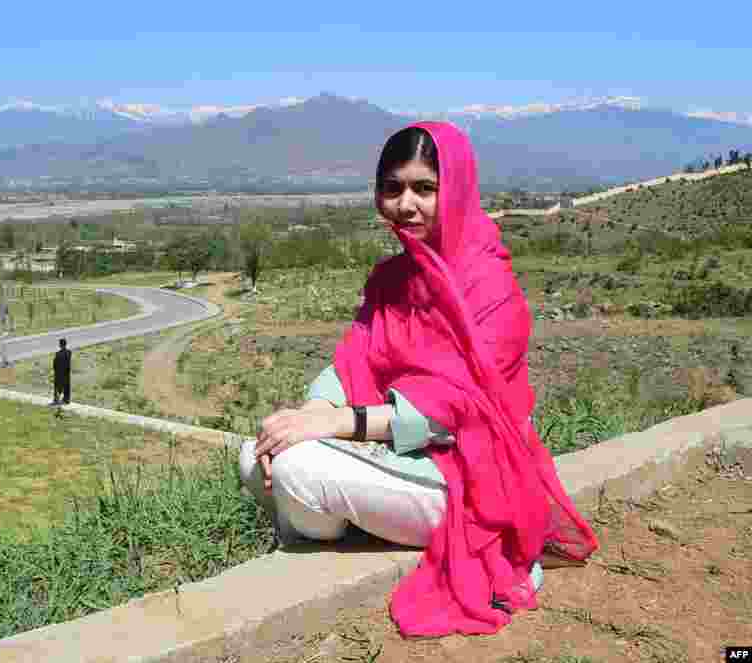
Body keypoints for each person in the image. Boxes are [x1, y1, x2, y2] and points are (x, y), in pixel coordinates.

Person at [239, 122, 598, 638]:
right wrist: (312, 414)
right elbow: (351, 360)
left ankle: (341, 520)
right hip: (400, 459)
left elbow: (450, 411)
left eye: (424, 188)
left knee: (295, 463)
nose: (406, 204)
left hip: (470, 483)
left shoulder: (491, 288)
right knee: (257, 451)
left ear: (456, 190)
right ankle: (340, 515)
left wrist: (335, 425)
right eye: (392, 188)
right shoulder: (393, 279)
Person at [51, 338, 72, 405]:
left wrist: (55, 371)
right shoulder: (69, 352)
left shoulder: (58, 354)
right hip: (66, 372)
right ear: (65, 344)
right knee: (66, 386)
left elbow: (54, 364)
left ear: (60, 345)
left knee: (57, 386)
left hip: (58, 373)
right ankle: (66, 399)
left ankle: (56, 399)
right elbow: (68, 362)